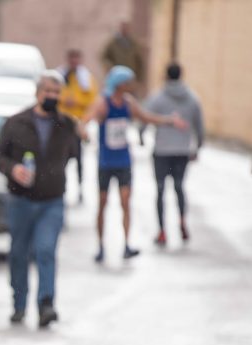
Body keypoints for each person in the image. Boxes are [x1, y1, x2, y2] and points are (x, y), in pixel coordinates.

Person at [0, 70, 77, 327]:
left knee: (45, 250)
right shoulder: (16, 122)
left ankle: (46, 304)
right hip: (21, 200)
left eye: (56, 92)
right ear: (38, 93)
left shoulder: (66, 125)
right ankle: (19, 303)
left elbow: (73, 153)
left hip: (52, 200)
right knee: (19, 253)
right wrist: (13, 169)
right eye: (47, 92)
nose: (52, 96)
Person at [80, 66, 186, 262]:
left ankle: (126, 244)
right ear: (119, 83)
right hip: (105, 161)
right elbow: (85, 120)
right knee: (102, 203)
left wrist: (169, 121)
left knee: (125, 202)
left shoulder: (128, 103)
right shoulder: (103, 103)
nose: (131, 85)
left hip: (124, 160)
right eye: (128, 81)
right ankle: (101, 246)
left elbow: (146, 117)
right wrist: (83, 132)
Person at [143, 62, 205, 246]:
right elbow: (199, 124)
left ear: (166, 76)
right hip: (182, 150)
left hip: (162, 150)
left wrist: (140, 133)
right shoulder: (192, 97)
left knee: (161, 189)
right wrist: (198, 145)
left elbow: (145, 115)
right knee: (179, 187)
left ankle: (162, 230)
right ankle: (182, 221)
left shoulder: (158, 97)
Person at [58, 49, 98, 203]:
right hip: (62, 125)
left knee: (79, 158)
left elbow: (92, 100)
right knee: (62, 158)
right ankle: (63, 188)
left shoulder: (85, 78)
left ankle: (80, 187)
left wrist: (77, 103)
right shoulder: (62, 76)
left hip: (78, 124)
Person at [101, 21, 144, 93]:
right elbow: (104, 57)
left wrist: (139, 78)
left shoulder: (133, 43)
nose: (125, 29)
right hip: (117, 78)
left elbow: (139, 62)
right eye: (123, 27)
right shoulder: (113, 43)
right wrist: (110, 68)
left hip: (130, 77)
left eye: (126, 28)